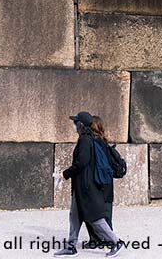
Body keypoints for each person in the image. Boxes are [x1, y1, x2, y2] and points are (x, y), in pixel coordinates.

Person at [54, 111, 124, 258]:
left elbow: (82, 162)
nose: (73, 126)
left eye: (75, 123)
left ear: (80, 125)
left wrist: (64, 174)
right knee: (74, 215)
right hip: (82, 186)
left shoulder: (85, 140)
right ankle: (71, 246)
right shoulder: (90, 139)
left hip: (86, 187)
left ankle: (116, 242)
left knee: (95, 218)